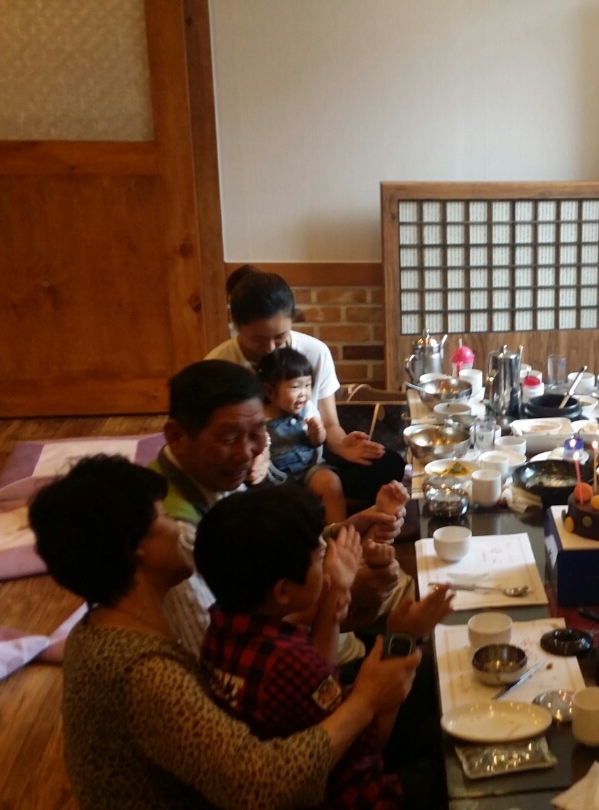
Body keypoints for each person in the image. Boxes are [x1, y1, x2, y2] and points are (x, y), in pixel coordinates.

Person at [29, 455, 418, 810]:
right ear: (137, 550)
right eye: (162, 516)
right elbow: (259, 788)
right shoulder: (144, 673)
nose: (176, 528)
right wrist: (366, 700)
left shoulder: (94, 630)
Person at [151, 360, 450, 665]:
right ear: (176, 436)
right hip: (296, 664)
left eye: (258, 433)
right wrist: (337, 597)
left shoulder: (213, 474)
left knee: (405, 587)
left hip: (317, 621)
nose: (247, 453)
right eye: (229, 439)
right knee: (431, 642)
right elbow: (219, 654)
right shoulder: (176, 535)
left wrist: (347, 529)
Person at [196, 486, 411, 808]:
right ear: (283, 591)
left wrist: (335, 592)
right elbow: (368, 744)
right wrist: (404, 640)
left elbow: (320, 676)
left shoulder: (219, 629)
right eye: (320, 556)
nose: (329, 553)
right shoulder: (287, 662)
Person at [207, 266, 407, 502]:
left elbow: (330, 423)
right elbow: (218, 441)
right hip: (253, 468)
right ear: (237, 325)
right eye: (258, 339)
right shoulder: (218, 365)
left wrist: (342, 445)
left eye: (279, 337)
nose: (270, 348)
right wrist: (253, 458)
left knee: (390, 464)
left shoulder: (314, 352)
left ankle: (311, 501)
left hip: (310, 460)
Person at [258, 346, 347, 522]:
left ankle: (337, 532)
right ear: (269, 391)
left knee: (331, 482)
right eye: (295, 387)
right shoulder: (260, 417)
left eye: (307, 385)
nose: (304, 394)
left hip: (308, 470)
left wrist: (318, 432)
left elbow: (317, 442)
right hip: (275, 479)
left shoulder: (307, 409)